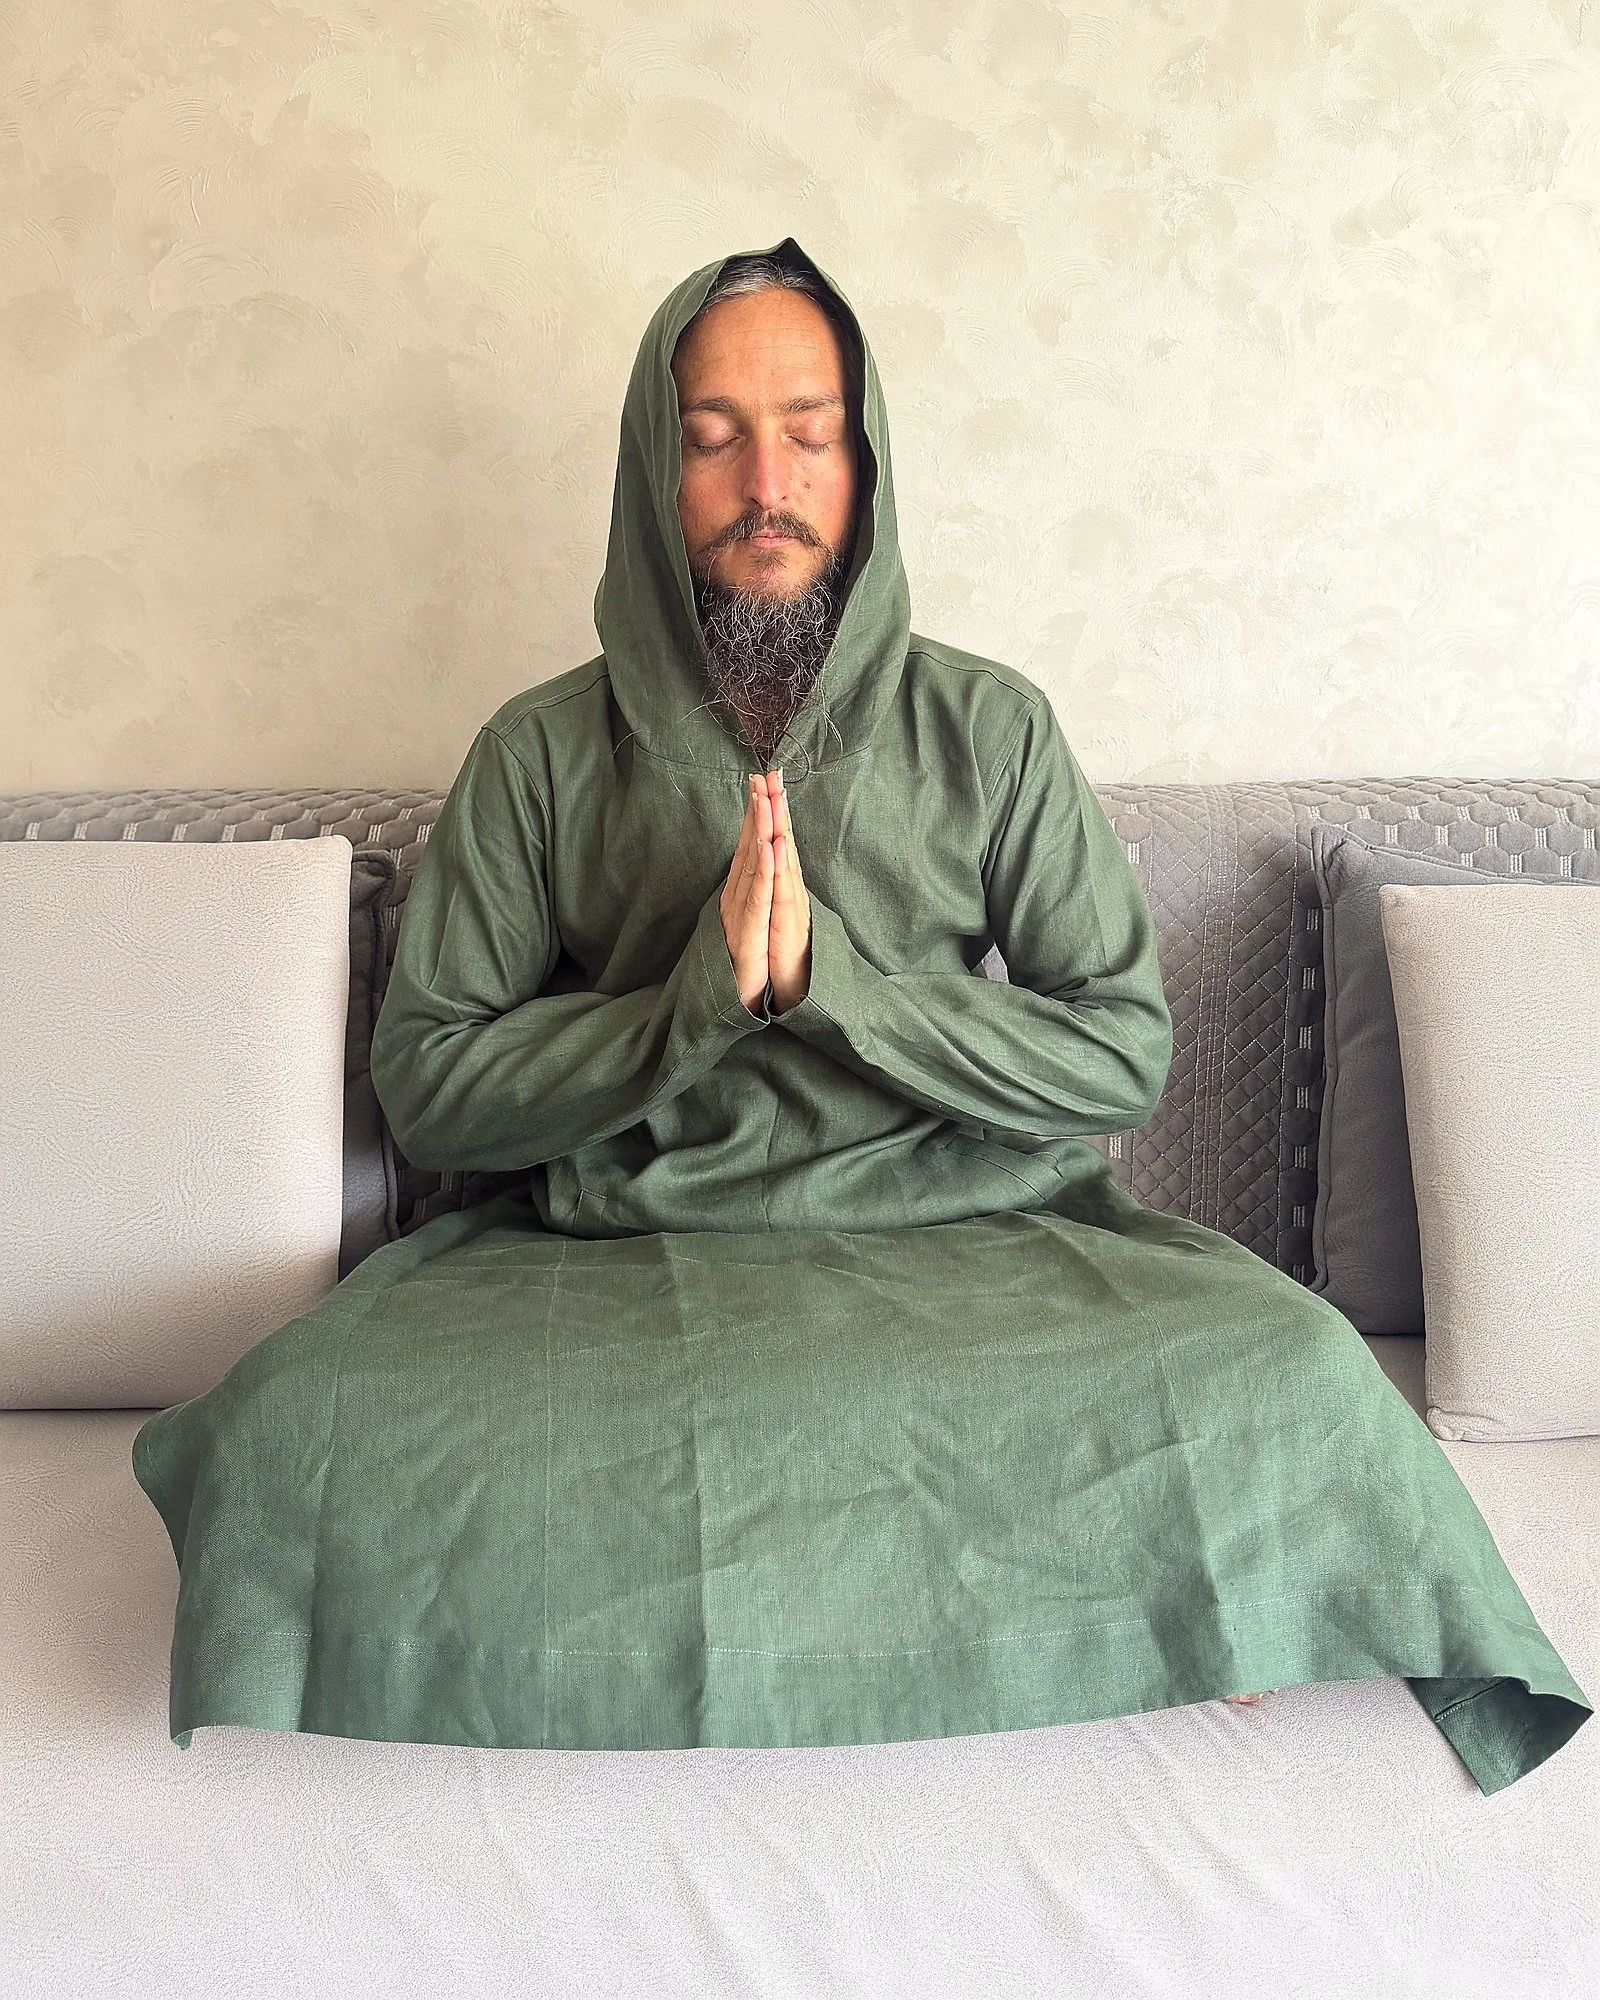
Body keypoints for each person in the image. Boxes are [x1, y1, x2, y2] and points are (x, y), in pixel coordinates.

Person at [140, 238, 1582, 1786]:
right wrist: (691, 1005)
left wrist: (840, 992)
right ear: (652, 472)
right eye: (714, 437)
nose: (766, 483)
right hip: (613, 1250)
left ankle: (1200, 1598)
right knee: (298, 1422)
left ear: (866, 460)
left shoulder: (991, 726)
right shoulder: (539, 752)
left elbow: (1120, 1050)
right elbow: (430, 1084)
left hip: (978, 1240)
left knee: (1291, 1371)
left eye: (809, 434)